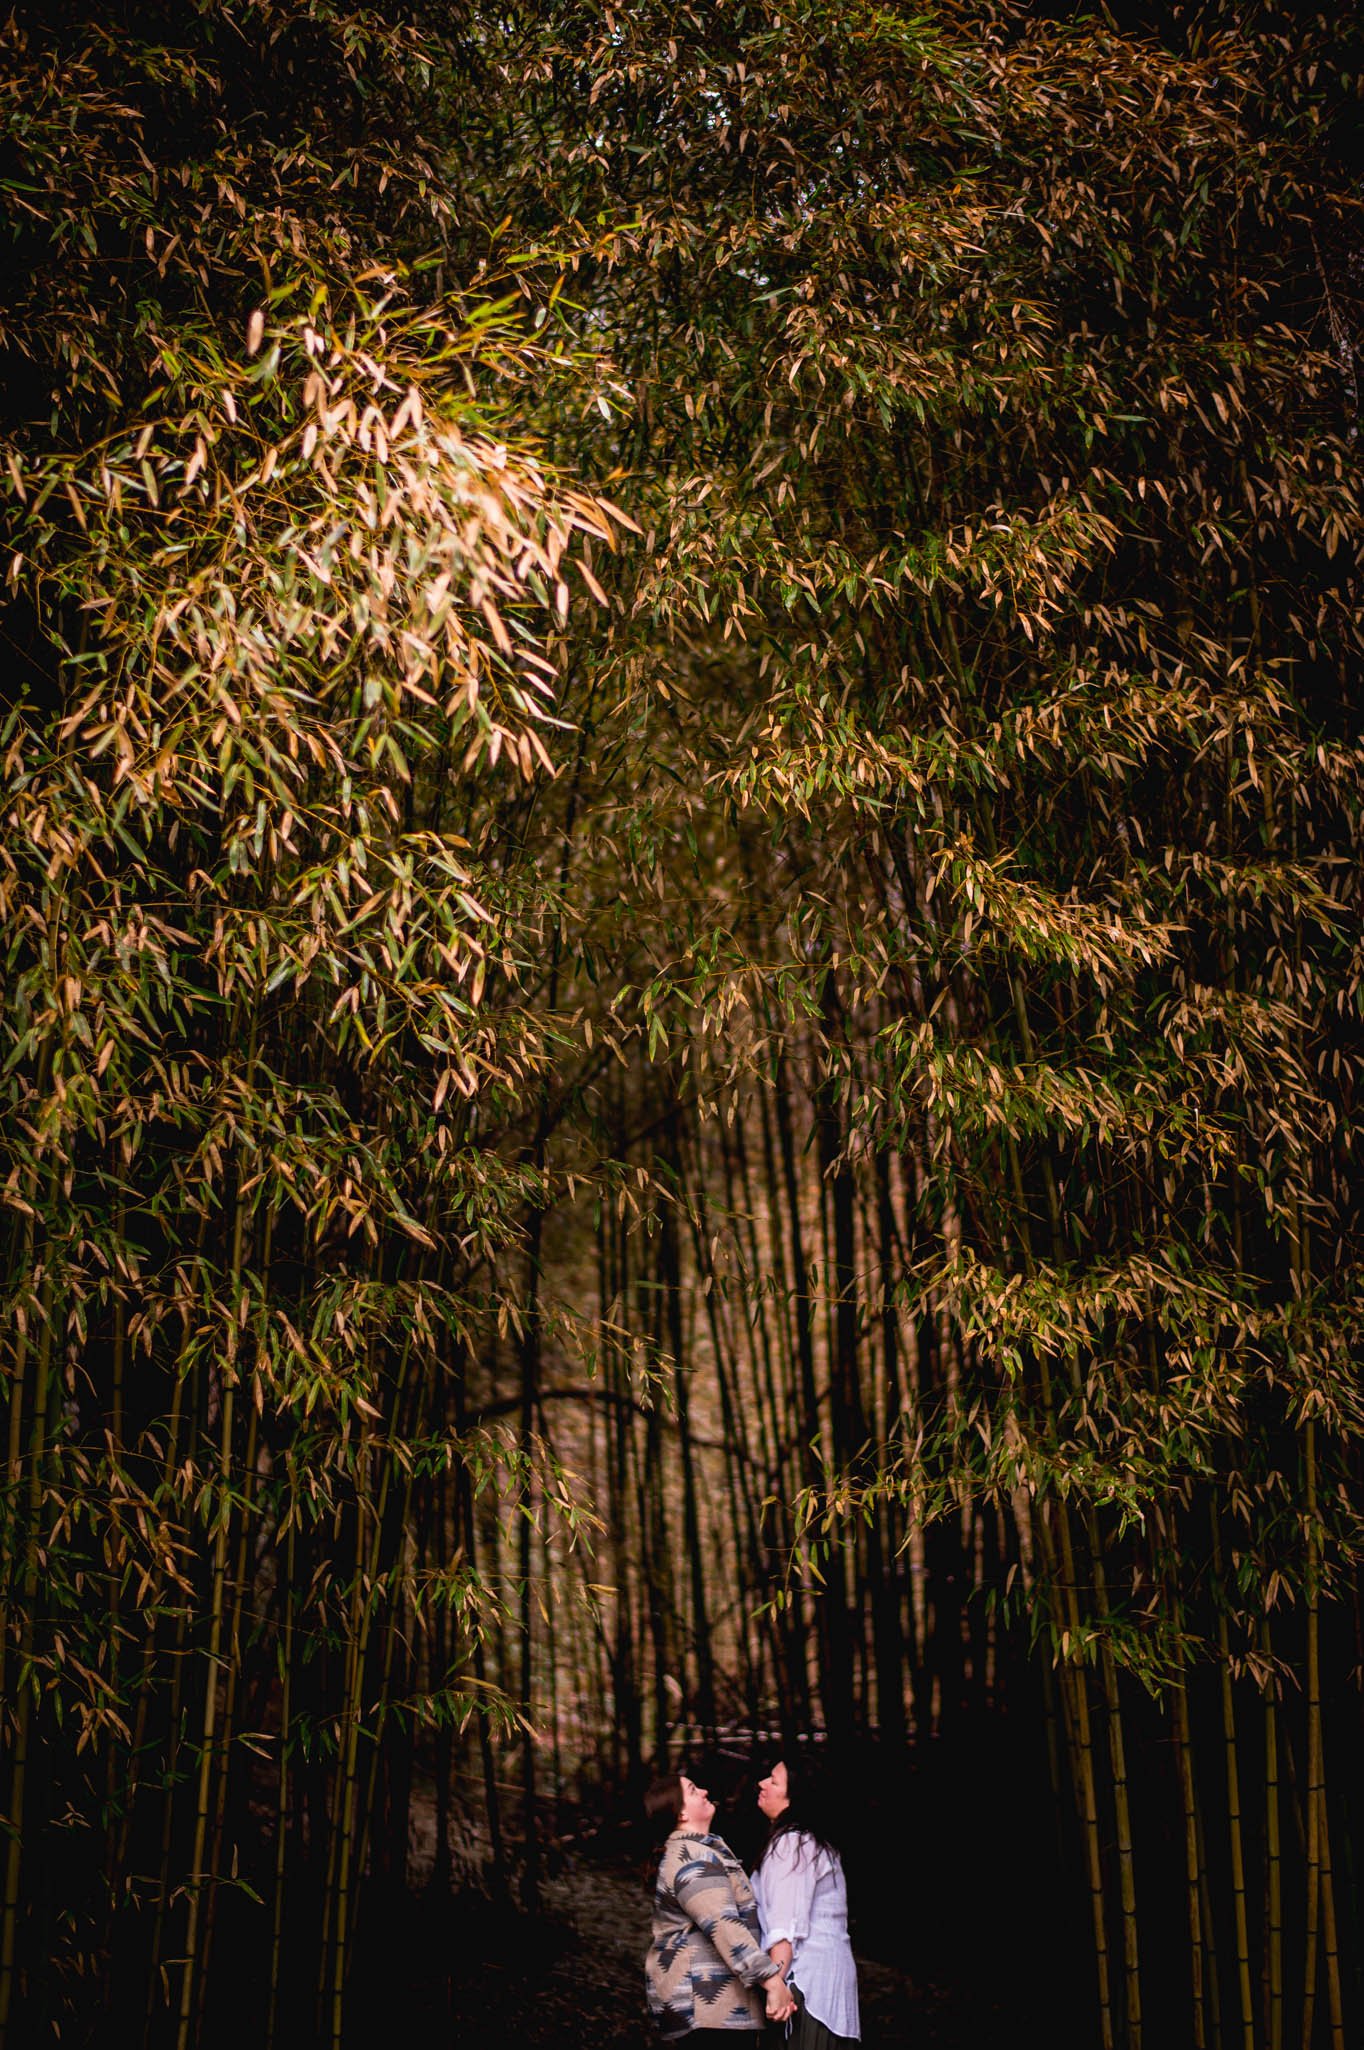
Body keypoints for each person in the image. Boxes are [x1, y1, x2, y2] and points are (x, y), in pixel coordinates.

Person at [645, 1769, 798, 2043]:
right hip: (707, 2010)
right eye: (693, 1790)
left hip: (714, 2009)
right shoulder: (693, 1856)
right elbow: (723, 1924)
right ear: (681, 1814)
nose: (704, 1791)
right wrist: (773, 1981)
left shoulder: (700, 1851)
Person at [750, 1756, 860, 2047]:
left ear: (794, 1797)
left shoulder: (792, 1844)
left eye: (773, 1781)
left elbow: (785, 1928)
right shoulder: (810, 1843)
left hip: (807, 1986)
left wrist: (775, 1986)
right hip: (827, 1987)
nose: (762, 1783)